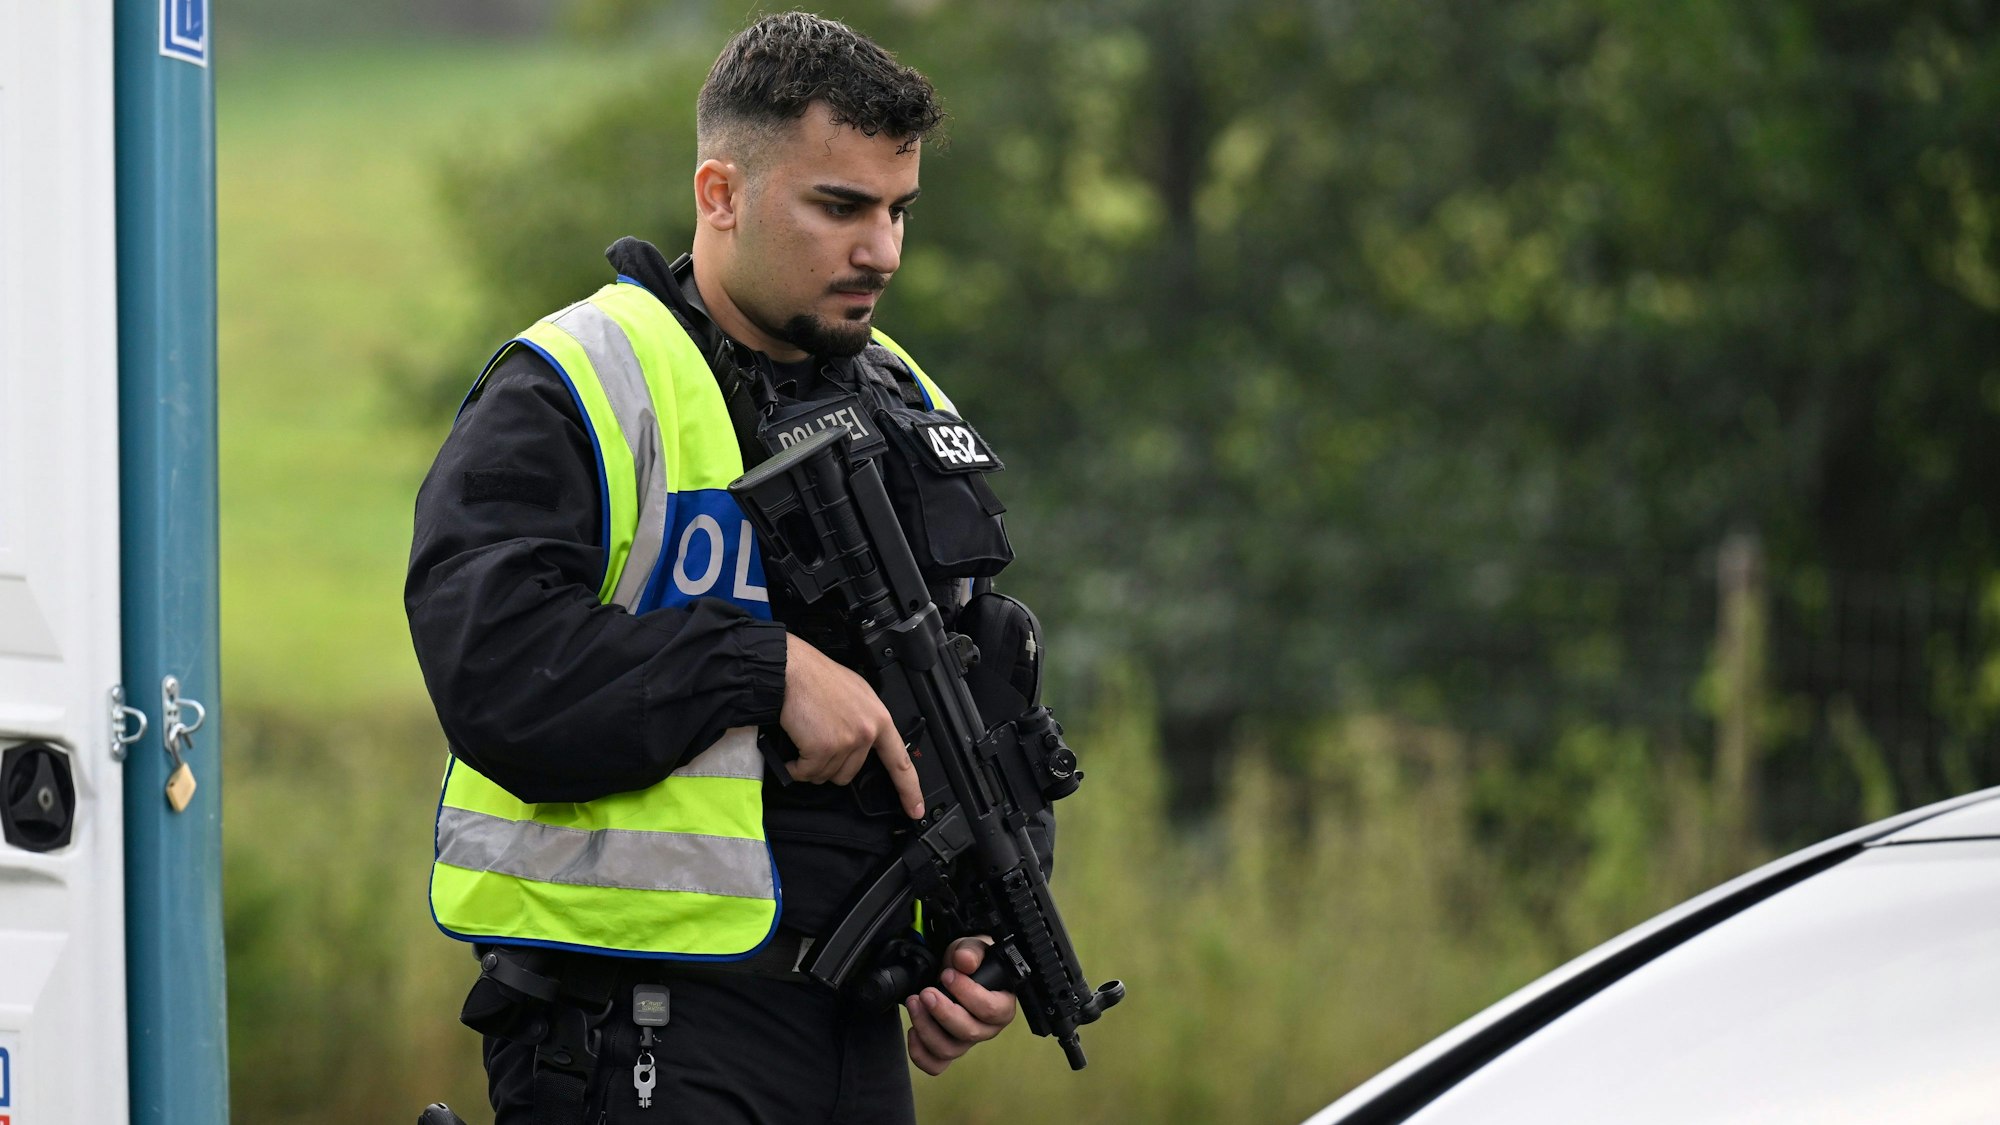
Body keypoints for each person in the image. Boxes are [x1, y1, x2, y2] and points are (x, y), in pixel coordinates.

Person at [406, 12, 1047, 1125]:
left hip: (852, 1026)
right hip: (637, 1029)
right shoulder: (579, 379)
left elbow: (975, 691)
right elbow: (494, 671)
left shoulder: (903, 393)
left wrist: (983, 935)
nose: (883, 252)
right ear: (720, 194)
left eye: (897, 210)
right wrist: (763, 669)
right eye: (839, 207)